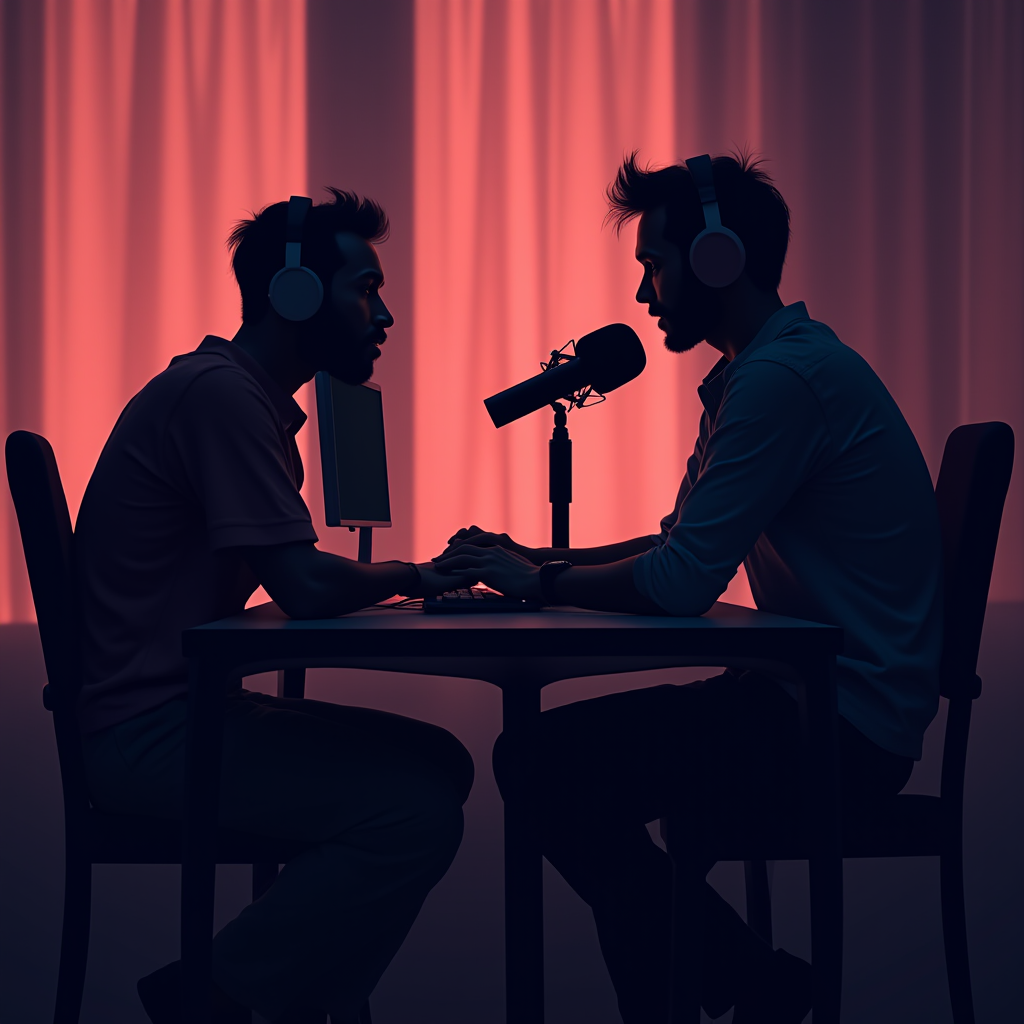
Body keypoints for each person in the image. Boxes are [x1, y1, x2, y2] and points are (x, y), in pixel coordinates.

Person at [436, 153, 943, 1022]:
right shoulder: (764, 373)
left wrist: (538, 581)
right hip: (810, 705)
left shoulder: (780, 384)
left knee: (539, 764)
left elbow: (675, 584)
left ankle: (757, 985)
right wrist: (531, 557)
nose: (644, 296)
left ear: (717, 258)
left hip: (837, 734)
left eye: (654, 267)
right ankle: (752, 982)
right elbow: (680, 547)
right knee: (551, 765)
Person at [74, 190, 473, 1024]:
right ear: (294, 292)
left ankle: (264, 999)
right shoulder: (220, 398)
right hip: (146, 735)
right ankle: (210, 997)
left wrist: (406, 577)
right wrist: (420, 575)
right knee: (416, 807)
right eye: (366, 287)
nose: (385, 312)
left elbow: (294, 579)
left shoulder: (235, 396)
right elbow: (304, 586)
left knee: (443, 762)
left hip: (177, 712)